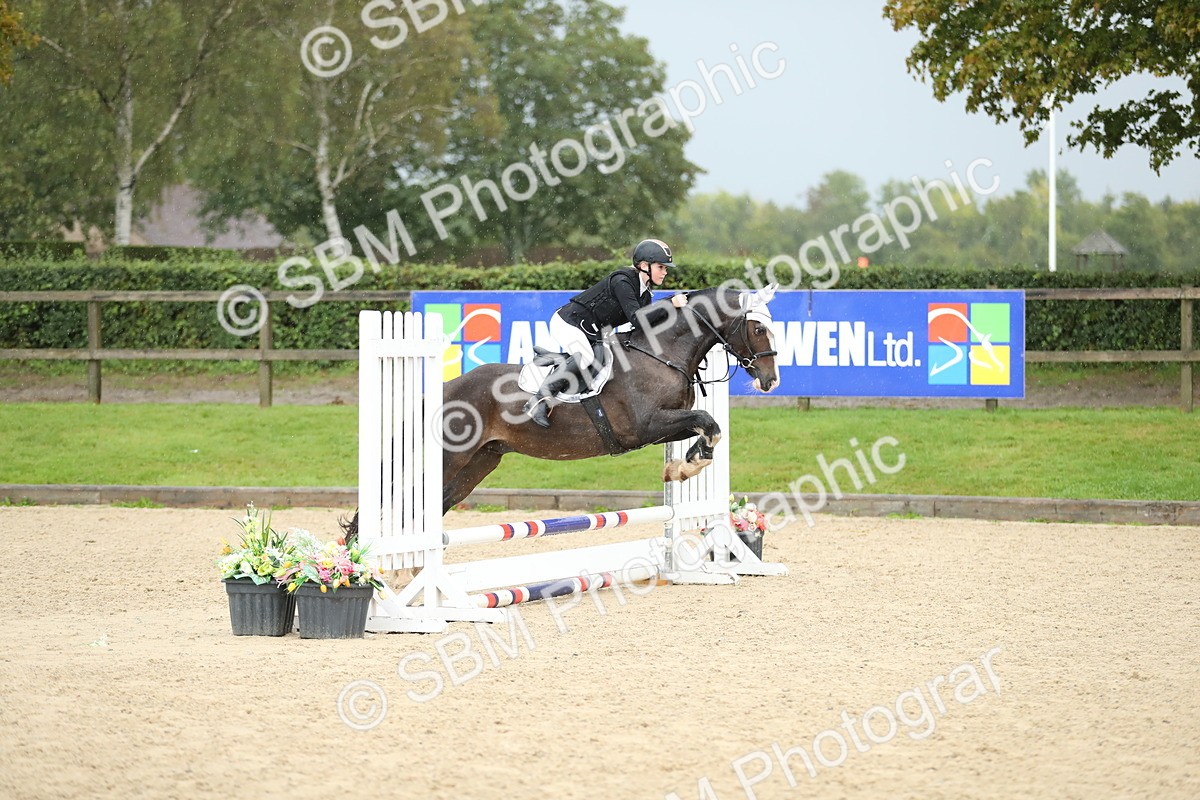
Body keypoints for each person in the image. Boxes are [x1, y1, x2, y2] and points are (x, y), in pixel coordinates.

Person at [522, 238, 690, 428]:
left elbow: (643, 326)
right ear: (644, 266)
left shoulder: (644, 291)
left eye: (665, 268)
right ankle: (537, 402)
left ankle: (559, 359)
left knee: (601, 360)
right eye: (661, 267)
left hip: (590, 331)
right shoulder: (623, 281)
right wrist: (669, 303)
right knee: (586, 357)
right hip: (568, 323)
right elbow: (638, 319)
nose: (665, 272)